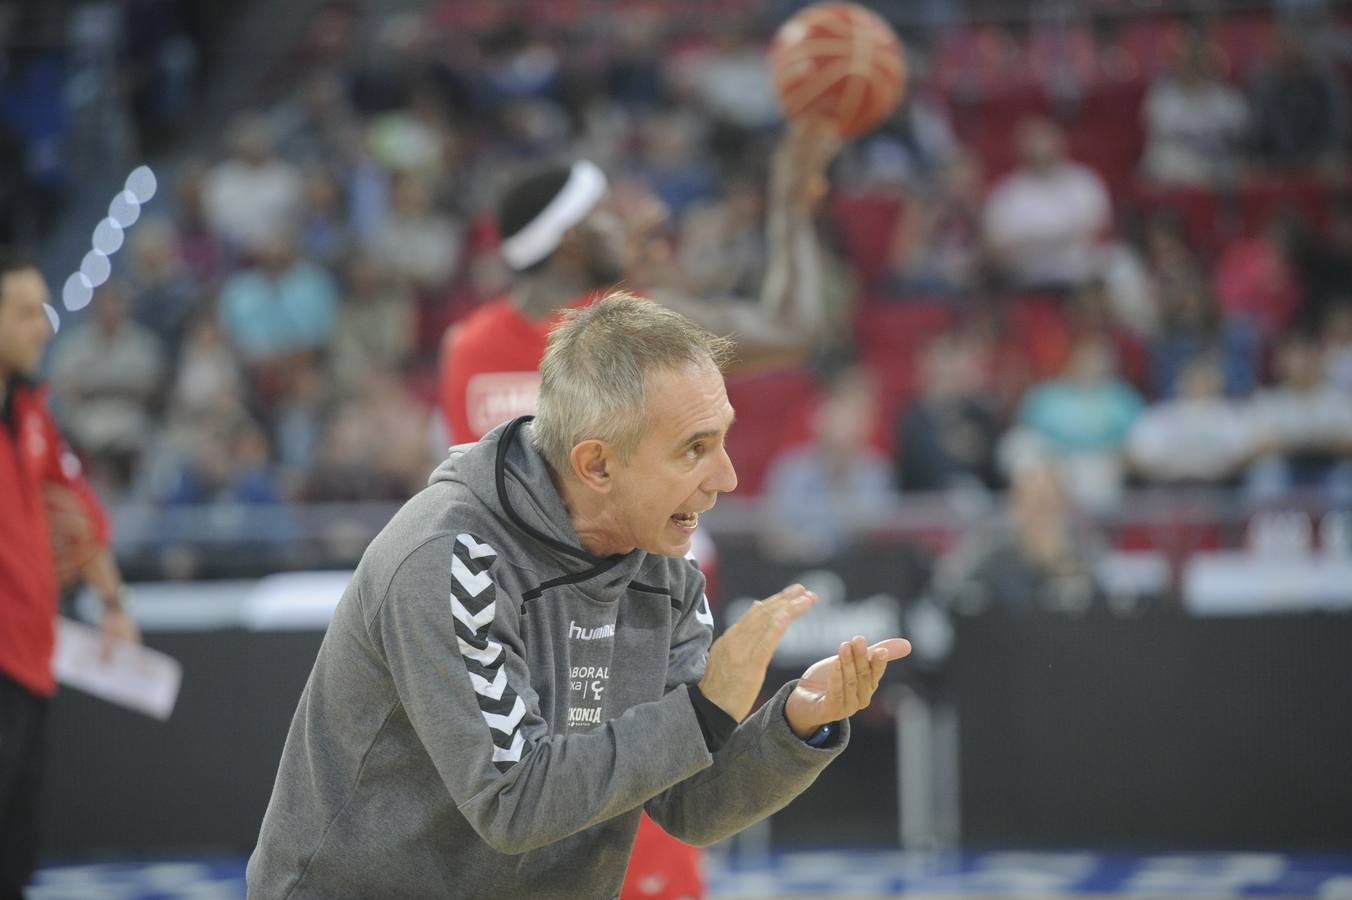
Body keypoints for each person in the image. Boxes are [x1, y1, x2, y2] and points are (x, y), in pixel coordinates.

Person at [249, 293, 909, 899]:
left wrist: (795, 722)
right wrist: (705, 710)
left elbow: (690, 802)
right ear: (597, 465)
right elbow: (512, 800)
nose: (727, 478)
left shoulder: (664, 569)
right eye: (694, 449)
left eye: (724, 438)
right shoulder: (448, 557)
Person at [435, 125, 836, 897]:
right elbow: (796, 329)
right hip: (632, 624)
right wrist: (789, 206)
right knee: (650, 824)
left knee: (534, 826)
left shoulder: (464, 348)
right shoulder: (631, 336)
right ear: (577, 239)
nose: (632, 232)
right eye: (613, 221)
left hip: (516, 632)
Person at [0, 252, 140, 899]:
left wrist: (113, 602)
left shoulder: (32, 412)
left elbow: (81, 513)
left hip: (32, 661)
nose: (44, 327)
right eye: (26, 312)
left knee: (17, 855)